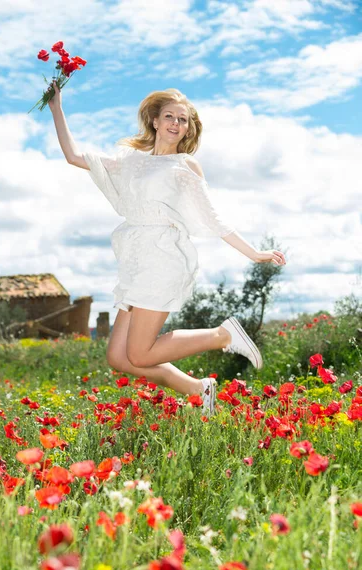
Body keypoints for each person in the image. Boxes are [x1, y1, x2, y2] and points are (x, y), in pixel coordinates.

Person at [48, 83, 286, 415]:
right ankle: (199, 389)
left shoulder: (184, 165)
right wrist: (56, 107)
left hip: (161, 258)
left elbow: (213, 218)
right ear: (155, 121)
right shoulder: (131, 161)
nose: (176, 124)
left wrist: (255, 253)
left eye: (184, 120)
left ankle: (222, 335)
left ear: (188, 127)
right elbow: (74, 156)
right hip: (135, 260)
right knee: (119, 358)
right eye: (170, 117)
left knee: (141, 354)